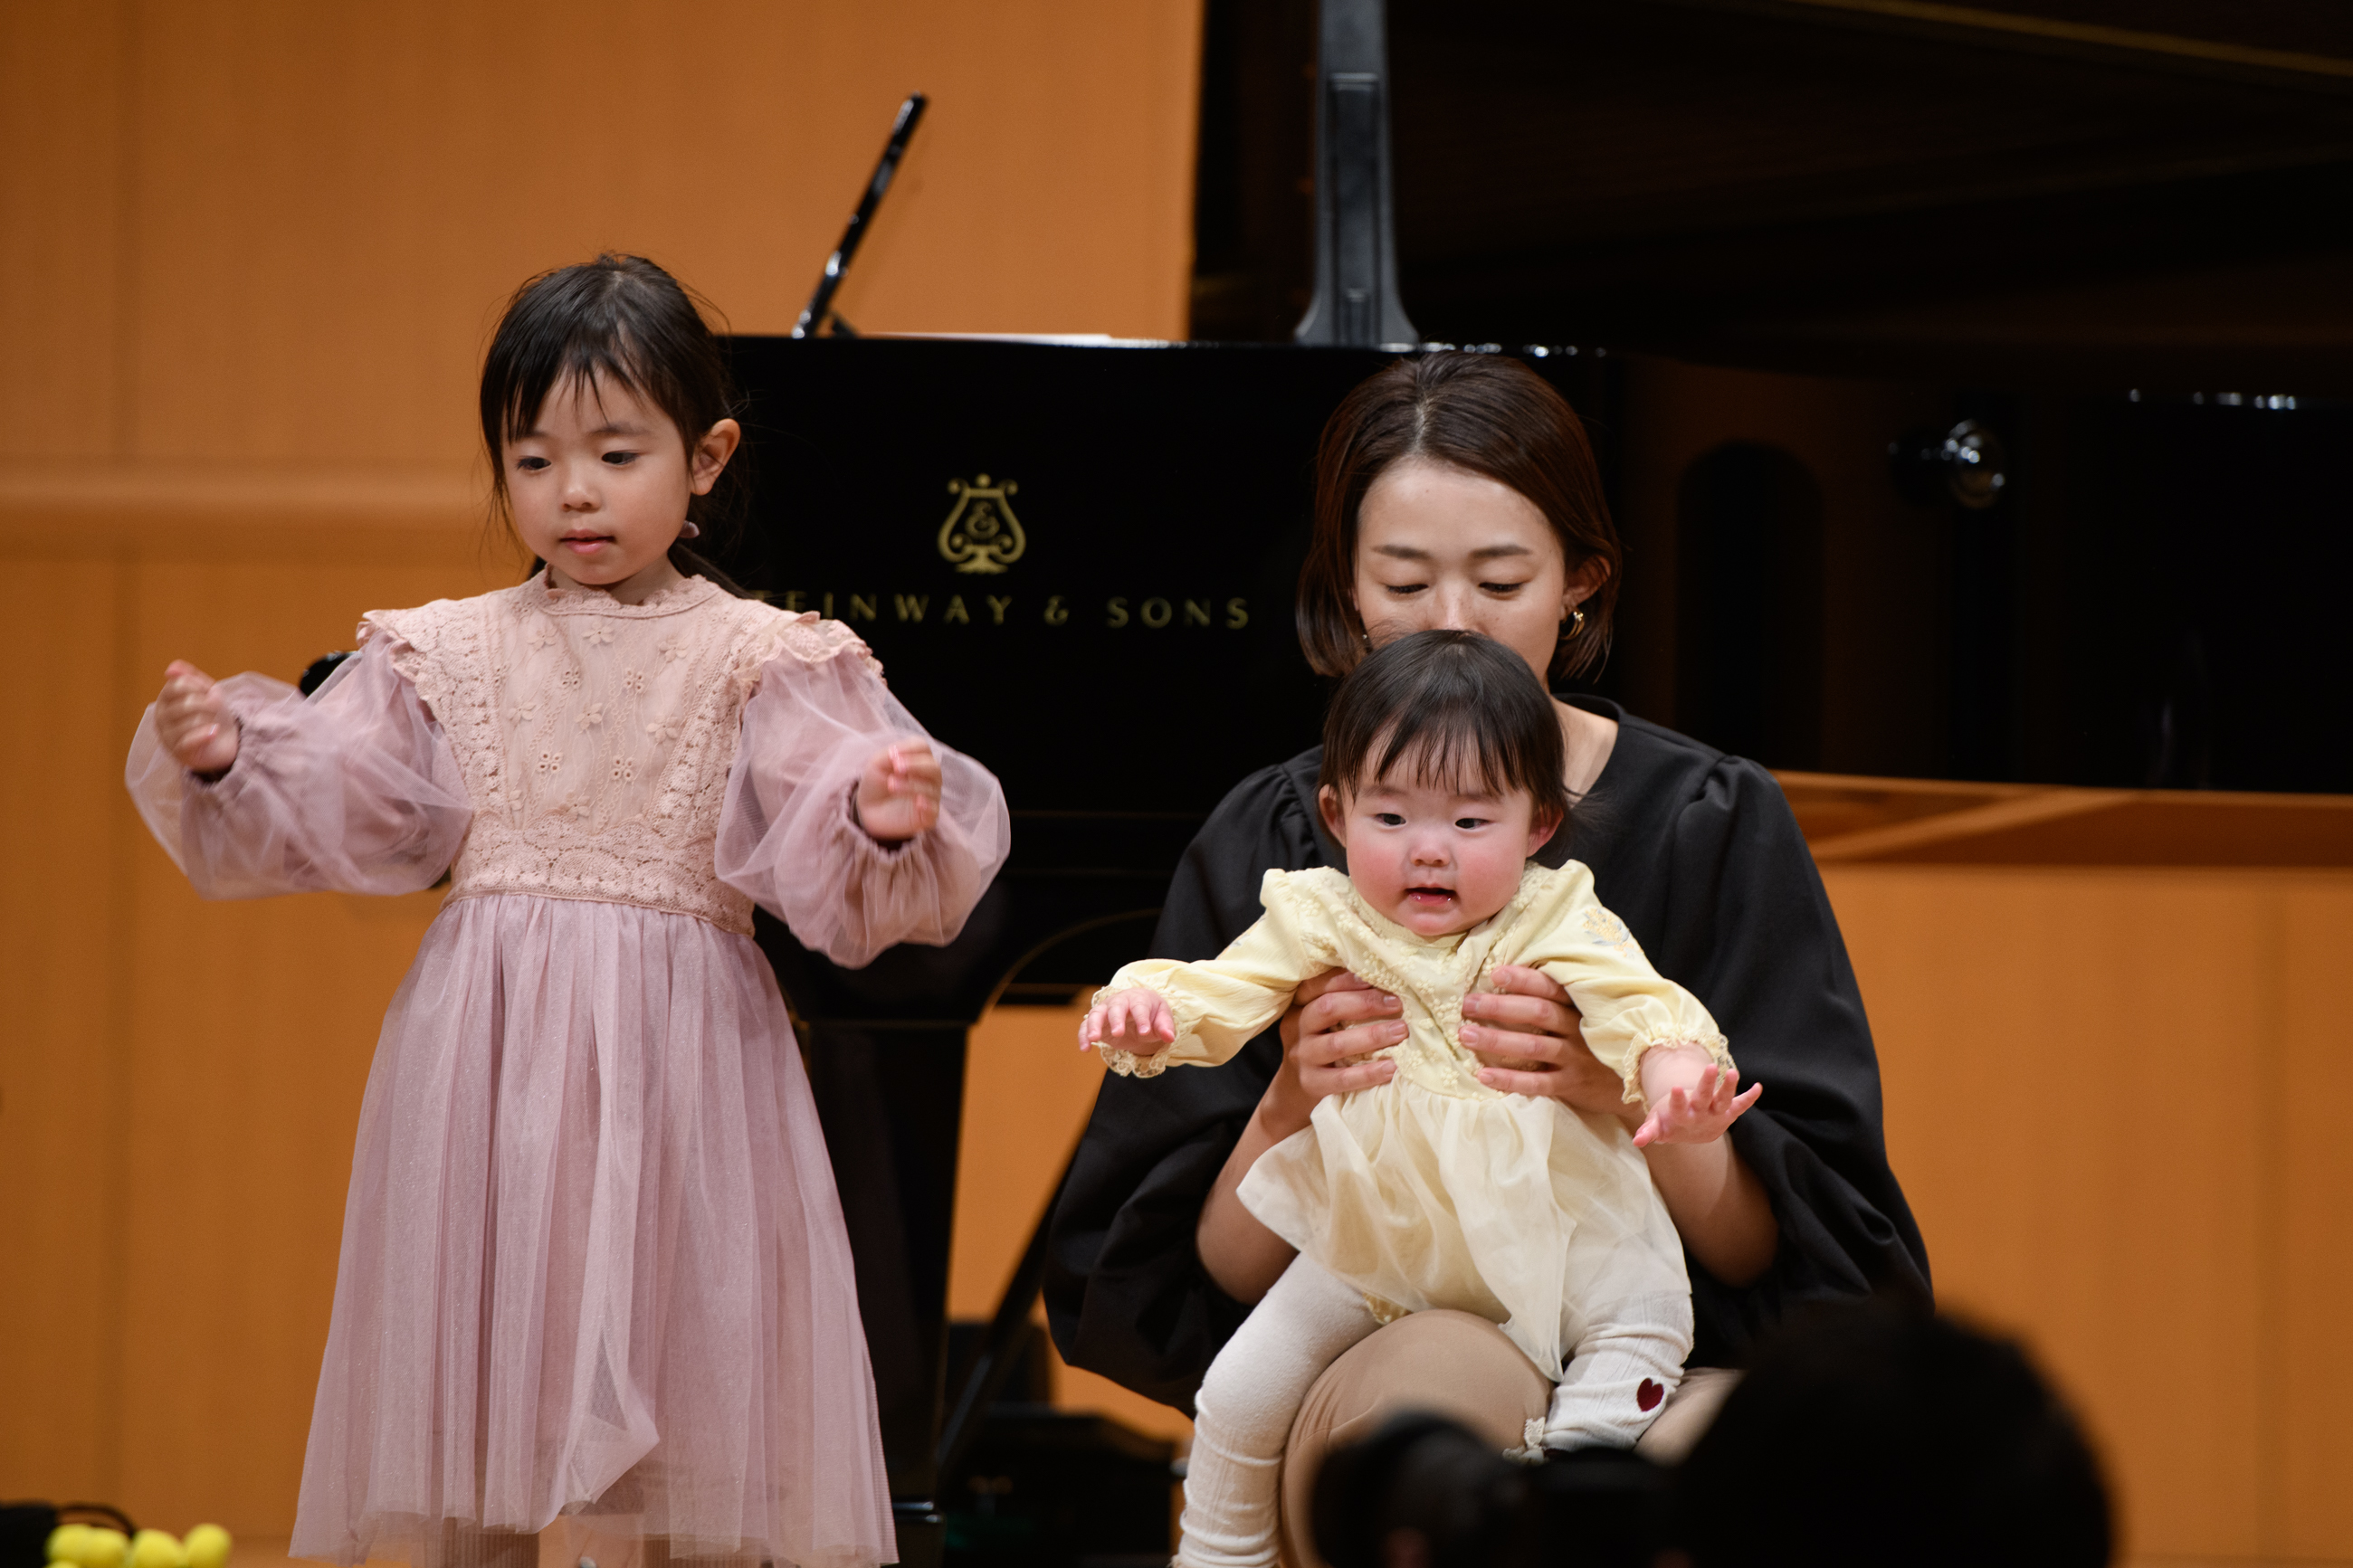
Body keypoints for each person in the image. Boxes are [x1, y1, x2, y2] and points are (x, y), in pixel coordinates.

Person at [125, 254, 1011, 1568]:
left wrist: (879, 811)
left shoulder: (767, 654)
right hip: (490, 1071)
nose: (574, 493)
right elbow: (351, 793)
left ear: (706, 457)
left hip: (687, 1073)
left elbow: (828, 814)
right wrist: (233, 759)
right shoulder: (447, 646)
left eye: (613, 451)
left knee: (685, 1426)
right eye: (532, 461)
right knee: (476, 1410)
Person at [1044, 352, 1929, 1566]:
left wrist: (1629, 1097)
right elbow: (1183, 1286)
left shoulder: (1709, 821)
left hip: (1649, 1320)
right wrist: (1291, 1099)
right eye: (1404, 582)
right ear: (1346, 594)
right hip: (1400, 1321)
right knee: (1435, 1403)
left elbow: (1803, 1272)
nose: (1452, 623)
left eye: (1502, 578)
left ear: (1581, 582)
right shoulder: (1279, 841)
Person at [1081, 631, 1760, 1568]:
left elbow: (1639, 1005)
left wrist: (1671, 1073)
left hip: (1561, 1236)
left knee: (1636, 1330)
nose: (1428, 851)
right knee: (1235, 1391)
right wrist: (1150, 1007)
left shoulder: (1554, 914)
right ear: (1335, 811)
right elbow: (1221, 988)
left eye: (1470, 823)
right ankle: (1216, 1555)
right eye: (1391, 817)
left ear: (1538, 825)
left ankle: (1558, 1501)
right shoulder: (1321, 914)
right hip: (1380, 1236)